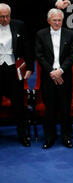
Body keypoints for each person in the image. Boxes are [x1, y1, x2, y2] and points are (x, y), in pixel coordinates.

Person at [35, 8, 73, 149]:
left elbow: (72, 55)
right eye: (54, 20)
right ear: (48, 21)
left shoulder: (70, 34)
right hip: (48, 77)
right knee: (50, 109)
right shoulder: (40, 34)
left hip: (65, 76)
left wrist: (60, 71)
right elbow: (39, 55)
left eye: (60, 20)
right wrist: (52, 72)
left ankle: (66, 137)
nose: (57, 23)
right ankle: (49, 137)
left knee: (65, 108)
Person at [0, 3, 34, 147]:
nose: (5, 19)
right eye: (2, 17)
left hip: (14, 70)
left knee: (18, 105)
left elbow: (27, 46)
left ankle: (23, 135)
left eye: (7, 16)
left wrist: (30, 67)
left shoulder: (19, 25)